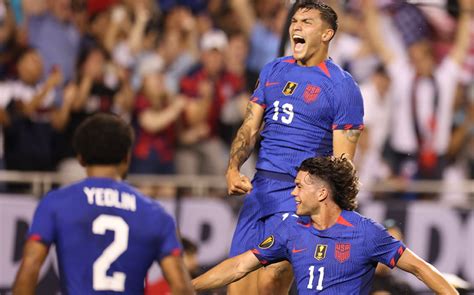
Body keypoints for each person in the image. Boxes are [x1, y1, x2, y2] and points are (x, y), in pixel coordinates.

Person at [225, 1, 364, 293]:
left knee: (273, 278)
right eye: (294, 21)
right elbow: (250, 128)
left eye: (307, 22)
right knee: (238, 286)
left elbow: (342, 164)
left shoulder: (342, 87)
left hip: (299, 194)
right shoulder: (273, 70)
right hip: (259, 192)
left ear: (327, 34)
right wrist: (233, 168)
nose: (296, 27)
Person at [193, 156, 458, 295]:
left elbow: (421, 269)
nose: (293, 193)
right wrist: (187, 286)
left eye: (298, 186)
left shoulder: (365, 232)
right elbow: (239, 266)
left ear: (321, 194)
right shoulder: (291, 231)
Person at [12, 113, 194, 295]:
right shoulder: (157, 214)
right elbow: (181, 287)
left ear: (81, 158)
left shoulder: (56, 203)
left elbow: (30, 269)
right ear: (126, 157)